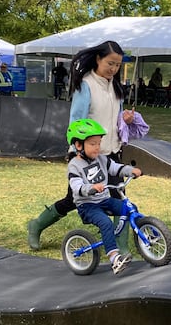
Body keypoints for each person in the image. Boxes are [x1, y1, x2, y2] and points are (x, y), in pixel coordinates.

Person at [27, 40, 139, 253]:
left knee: (118, 197)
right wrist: (77, 153)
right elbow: (76, 123)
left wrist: (127, 118)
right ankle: (37, 225)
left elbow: (115, 120)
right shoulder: (86, 85)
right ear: (98, 59)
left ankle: (122, 249)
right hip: (86, 156)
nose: (114, 69)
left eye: (118, 65)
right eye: (110, 63)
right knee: (74, 199)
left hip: (112, 153)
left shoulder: (115, 86)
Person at [65, 118, 142, 275]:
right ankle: (114, 258)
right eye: (92, 144)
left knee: (130, 208)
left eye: (99, 143)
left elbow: (115, 168)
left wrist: (130, 170)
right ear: (78, 145)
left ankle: (144, 237)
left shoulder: (101, 159)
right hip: (87, 206)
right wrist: (91, 188)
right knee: (106, 223)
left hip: (104, 200)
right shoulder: (74, 165)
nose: (97, 148)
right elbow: (76, 187)